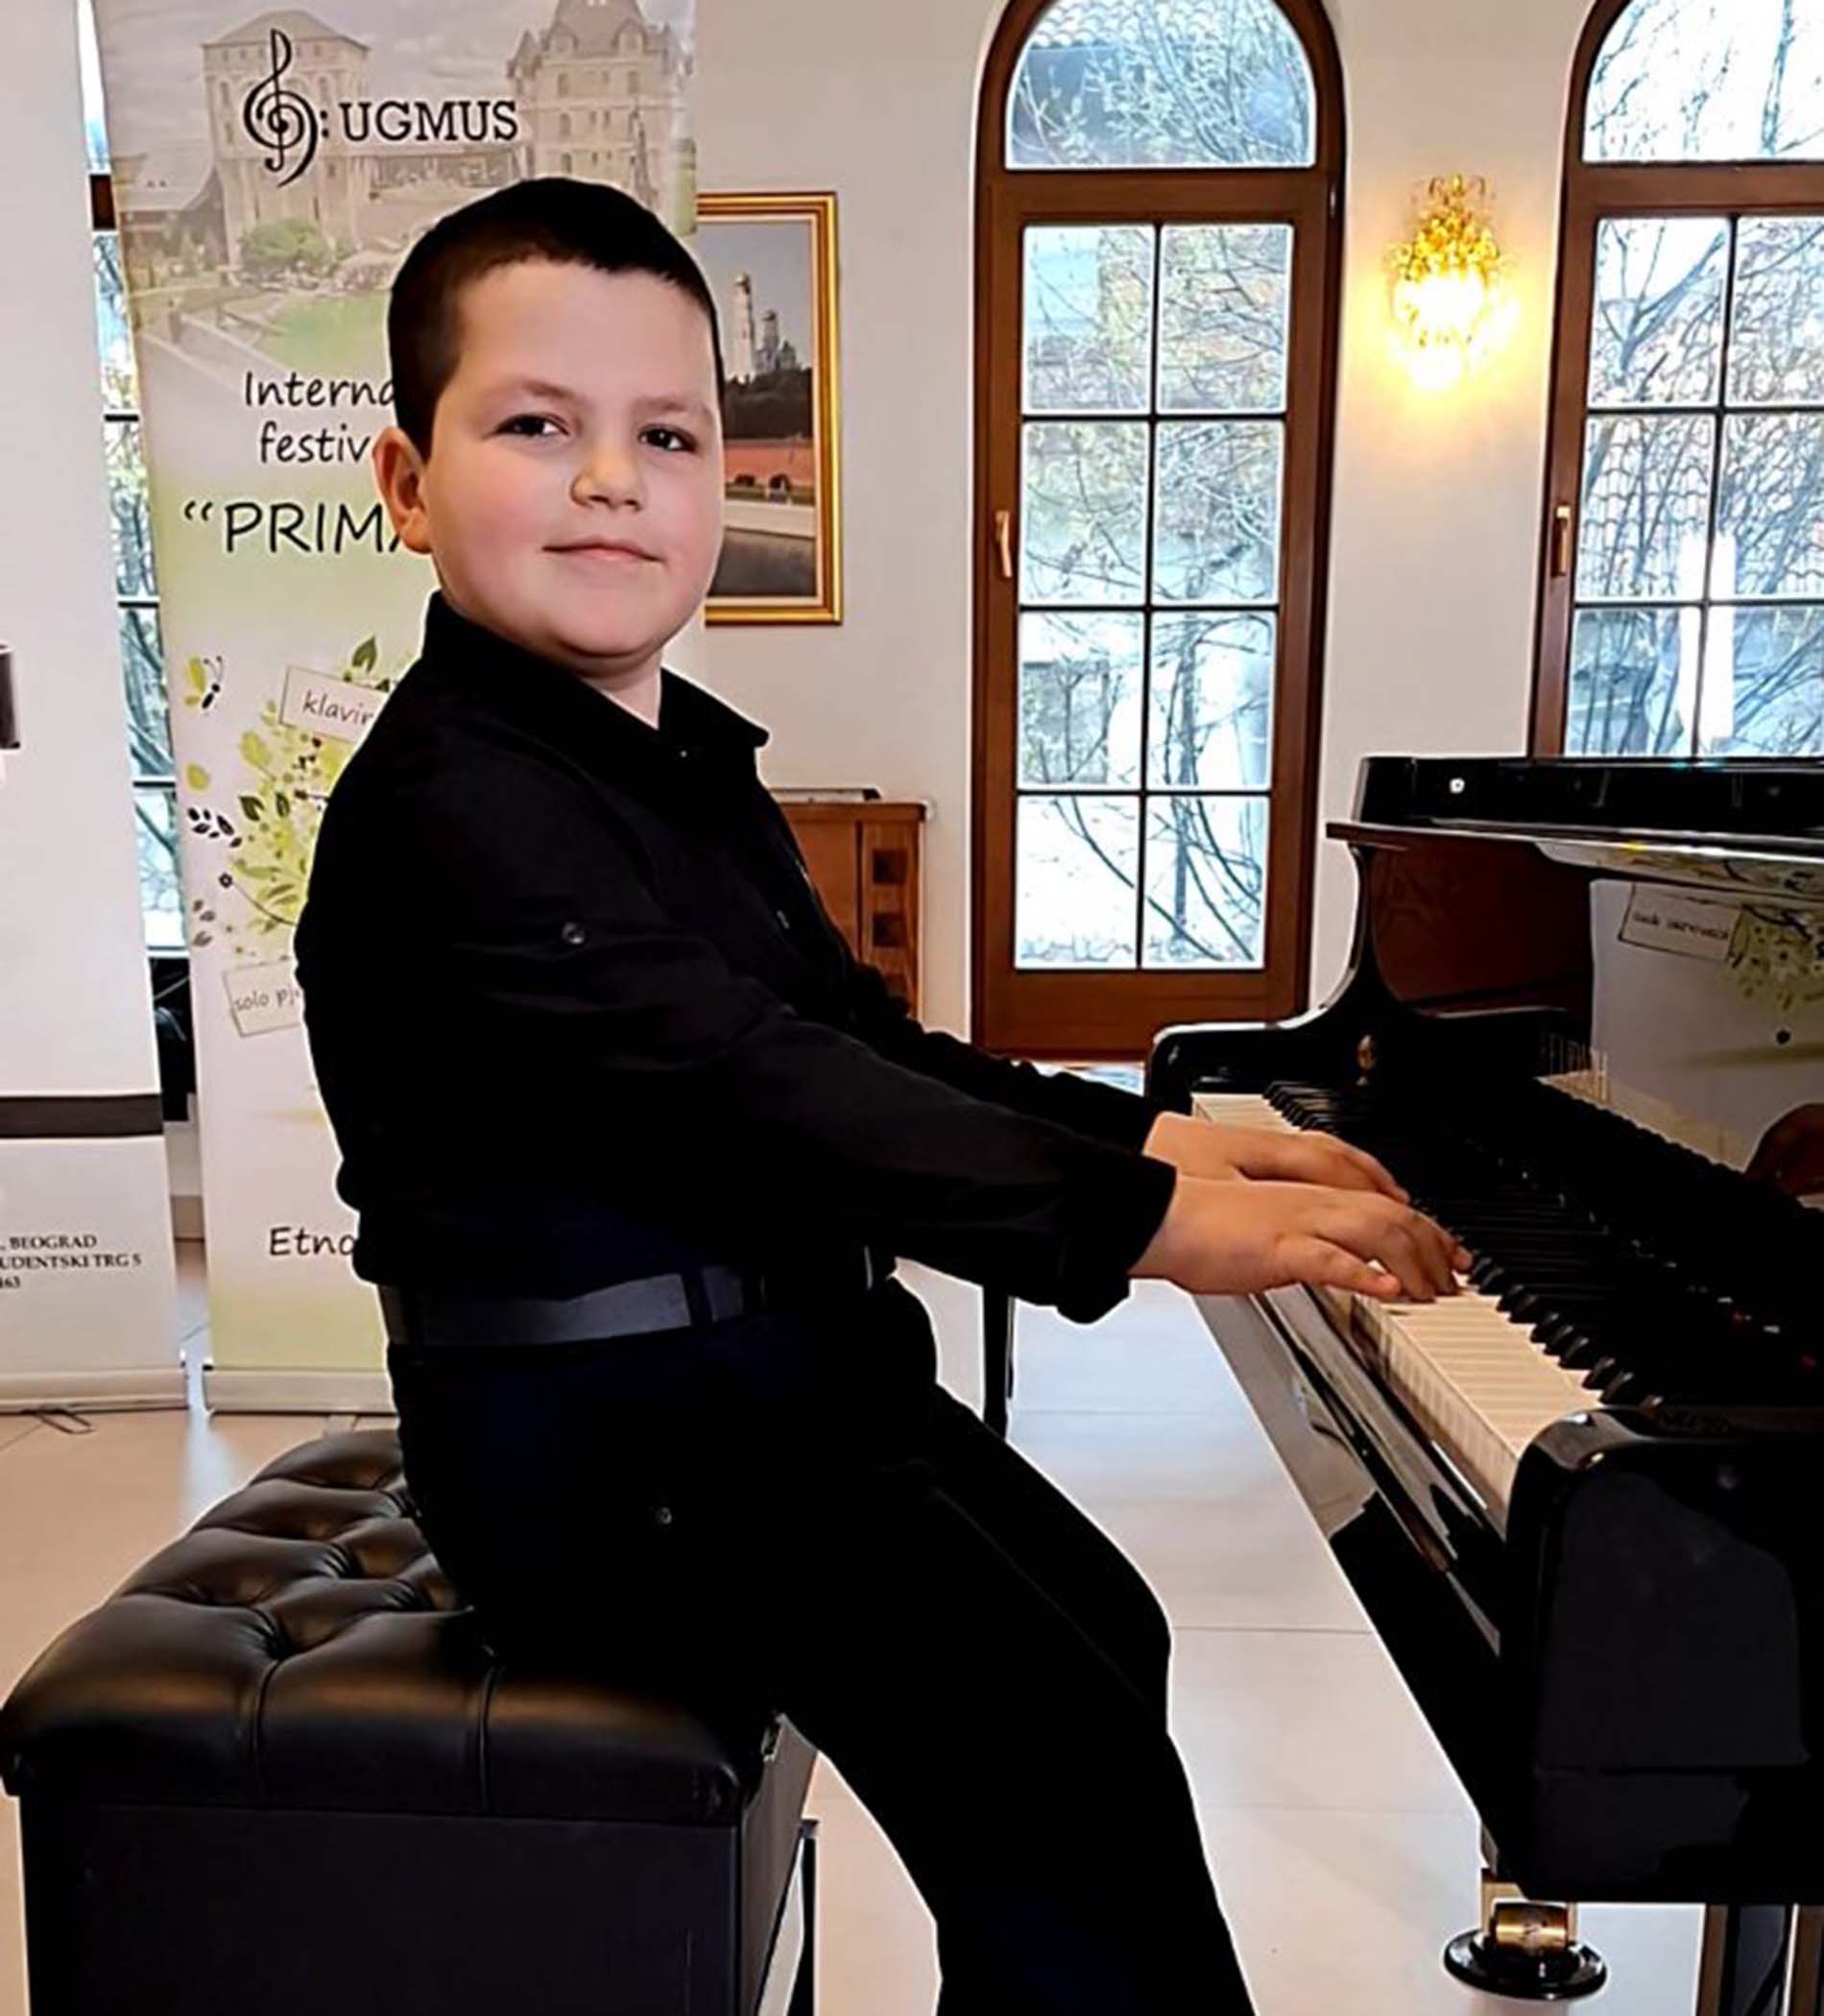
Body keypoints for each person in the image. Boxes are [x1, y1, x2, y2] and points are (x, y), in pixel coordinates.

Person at [294, 177, 1467, 2015]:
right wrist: (1158, 1225)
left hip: (771, 1398)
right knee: (1059, 1760)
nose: (609, 481)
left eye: (666, 435)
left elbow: (856, 1041)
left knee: (1111, 1632)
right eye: (534, 426)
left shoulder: (668, 762)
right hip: (605, 1454)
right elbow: (767, 1097)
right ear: (406, 480)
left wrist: (1167, 1135)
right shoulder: (450, 806)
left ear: (722, 476)